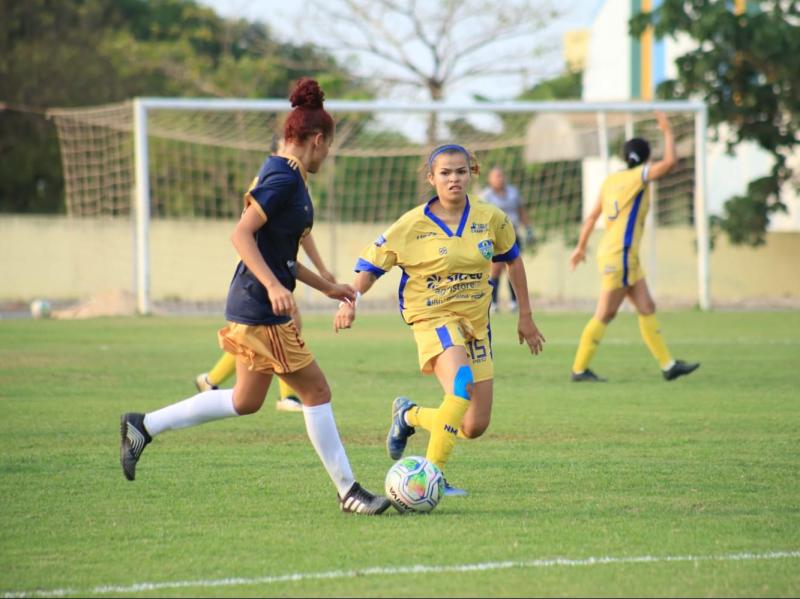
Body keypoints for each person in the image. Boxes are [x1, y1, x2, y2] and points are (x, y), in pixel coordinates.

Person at [120, 78, 390, 515]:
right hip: (259, 306)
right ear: (317, 140)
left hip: (253, 301)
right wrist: (272, 287)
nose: (328, 155)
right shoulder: (282, 177)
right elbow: (241, 235)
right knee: (316, 390)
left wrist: (328, 287)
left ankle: (143, 425)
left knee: (245, 401)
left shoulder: (288, 177)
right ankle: (349, 491)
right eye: (329, 147)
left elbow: (281, 255)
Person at [334, 144, 546, 496]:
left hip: (475, 323)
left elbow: (513, 260)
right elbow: (371, 269)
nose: (454, 179)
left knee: (473, 424)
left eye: (461, 171)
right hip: (431, 316)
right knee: (461, 385)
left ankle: (409, 415)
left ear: (471, 173)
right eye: (445, 173)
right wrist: (350, 301)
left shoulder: (491, 218)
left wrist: (525, 315)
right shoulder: (411, 224)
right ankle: (429, 478)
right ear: (431, 178)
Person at [568, 111, 699, 383]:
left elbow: (592, 216)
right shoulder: (639, 176)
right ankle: (579, 369)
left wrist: (581, 247)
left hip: (620, 254)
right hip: (621, 256)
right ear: (646, 157)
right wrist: (667, 129)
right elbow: (671, 162)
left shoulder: (611, 180)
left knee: (646, 306)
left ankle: (668, 366)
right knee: (606, 313)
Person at [195, 231, 336, 414]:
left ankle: (210, 380)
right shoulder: (267, 204)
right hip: (260, 271)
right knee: (282, 326)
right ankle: (286, 397)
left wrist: (322, 270)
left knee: (264, 340)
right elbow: (242, 233)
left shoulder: (297, 208)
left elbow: (303, 232)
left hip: (279, 268)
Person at [481, 166, 535, 312]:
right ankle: (494, 303)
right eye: (496, 176)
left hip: (513, 234)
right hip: (494, 236)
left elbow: (521, 211)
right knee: (496, 269)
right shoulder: (486, 196)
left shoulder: (513, 192)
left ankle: (513, 302)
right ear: (490, 179)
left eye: (501, 175)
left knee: (513, 266)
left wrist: (529, 229)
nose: (500, 178)